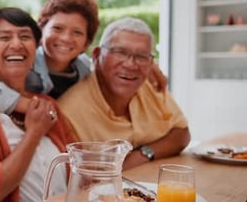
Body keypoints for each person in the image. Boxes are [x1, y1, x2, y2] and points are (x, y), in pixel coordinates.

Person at [0, 7, 78, 202]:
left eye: (25, 36)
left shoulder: (47, 103)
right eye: (5, 37)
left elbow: (80, 163)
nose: (16, 44)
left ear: (35, 49)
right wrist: (34, 133)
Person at [57, 17, 191, 170]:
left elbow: (182, 134)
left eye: (141, 56)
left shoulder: (150, 85)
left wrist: (142, 155)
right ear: (96, 55)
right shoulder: (69, 112)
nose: (130, 64)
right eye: (120, 52)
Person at [0, 0, 98, 114]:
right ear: (41, 31)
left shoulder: (85, 70)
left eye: (77, 33)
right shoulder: (22, 59)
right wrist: (24, 104)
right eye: (57, 28)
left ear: (87, 42)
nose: (66, 38)